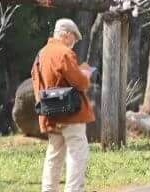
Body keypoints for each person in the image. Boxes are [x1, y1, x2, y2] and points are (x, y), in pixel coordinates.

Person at [33, 18, 93, 192]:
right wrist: (86, 74)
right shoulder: (64, 53)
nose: (73, 43)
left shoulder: (41, 54)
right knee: (77, 153)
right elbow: (80, 82)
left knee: (54, 155)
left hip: (49, 113)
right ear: (66, 35)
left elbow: (37, 82)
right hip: (70, 113)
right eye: (73, 39)